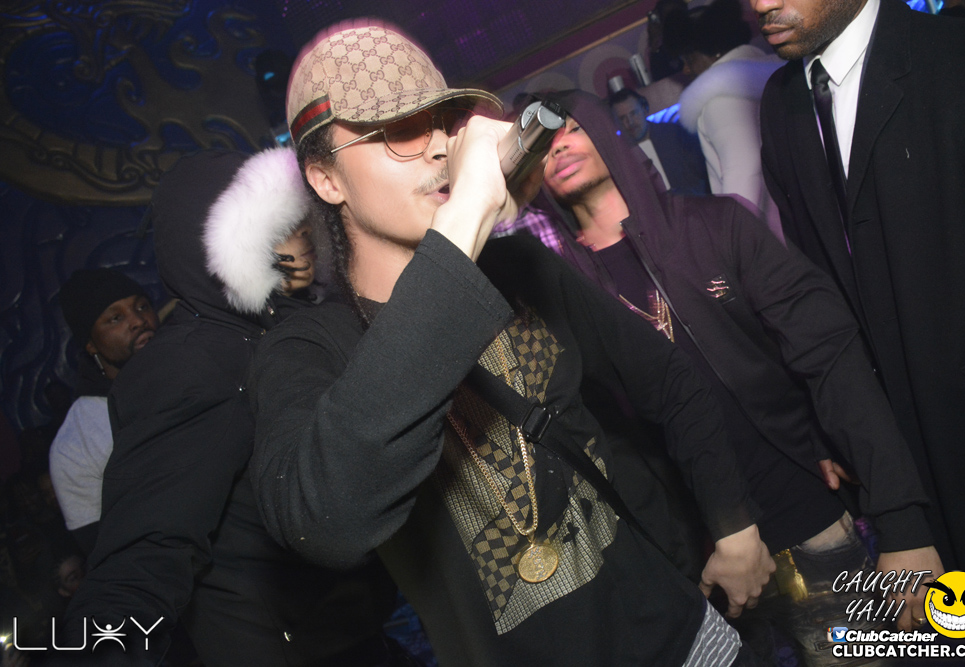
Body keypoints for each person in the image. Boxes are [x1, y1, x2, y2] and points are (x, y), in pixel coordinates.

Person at [250, 21, 778, 667]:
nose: (438, 147)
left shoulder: (521, 266)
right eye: (398, 131)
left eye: (441, 122)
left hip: (684, 637)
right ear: (326, 179)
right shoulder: (308, 349)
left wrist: (733, 523)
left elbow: (668, 379)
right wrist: (468, 210)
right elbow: (325, 521)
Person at [536, 89, 943, 661]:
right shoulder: (558, 292)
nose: (558, 147)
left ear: (607, 131)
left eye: (571, 128)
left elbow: (825, 352)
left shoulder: (713, 224)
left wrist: (890, 505)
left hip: (798, 509)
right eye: (542, 143)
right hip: (694, 557)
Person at [55, 147, 399, 666]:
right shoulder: (193, 362)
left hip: (344, 635)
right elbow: (149, 543)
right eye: (278, 227)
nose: (302, 237)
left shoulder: (278, 329)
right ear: (226, 246)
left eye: (301, 221)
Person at [754, 0, 965, 589]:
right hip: (894, 456)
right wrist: (837, 426)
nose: (761, 5)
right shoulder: (782, 100)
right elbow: (818, 290)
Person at [50, 269, 159, 555]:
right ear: (90, 344)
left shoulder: (199, 372)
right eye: (115, 318)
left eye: (142, 306)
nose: (138, 320)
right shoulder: (76, 443)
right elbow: (105, 550)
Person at [663, 0, 784, 239]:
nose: (686, 69)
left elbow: (743, 173)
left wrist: (734, 241)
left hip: (769, 237)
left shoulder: (721, 99)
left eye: (689, 58)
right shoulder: (771, 76)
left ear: (714, 51)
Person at [608, 89, 710, 196]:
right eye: (622, 118)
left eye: (633, 113)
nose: (630, 122)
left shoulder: (675, 134)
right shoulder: (620, 156)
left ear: (644, 110)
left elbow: (703, 173)